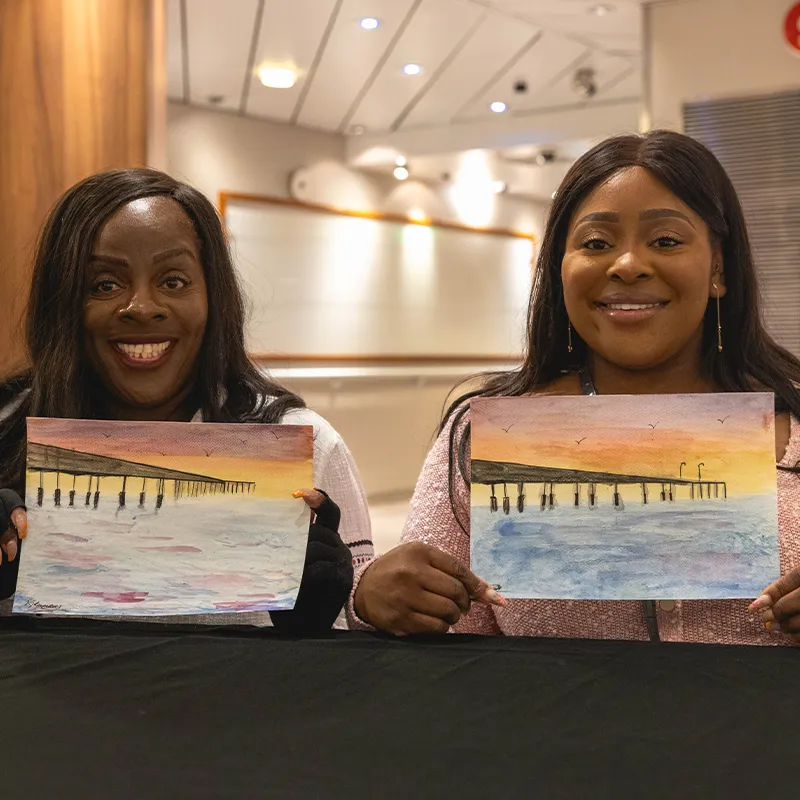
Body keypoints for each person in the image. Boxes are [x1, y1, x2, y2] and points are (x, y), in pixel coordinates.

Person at [351, 130, 800, 645]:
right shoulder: (489, 434)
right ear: (560, 269)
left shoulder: (795, 424)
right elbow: (446, 646)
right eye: (596, 243)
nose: (627, 264)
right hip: (549, 724)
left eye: (666, 241)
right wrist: (374, 597)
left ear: (718, 267)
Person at [0, 168, 374, 631]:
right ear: (62, 303)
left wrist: (321, 621)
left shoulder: (308, 443)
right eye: (103, 284)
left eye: (174, 281)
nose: (141, 305)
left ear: (214, 298)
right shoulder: (6, 429)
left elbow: (363, 628)